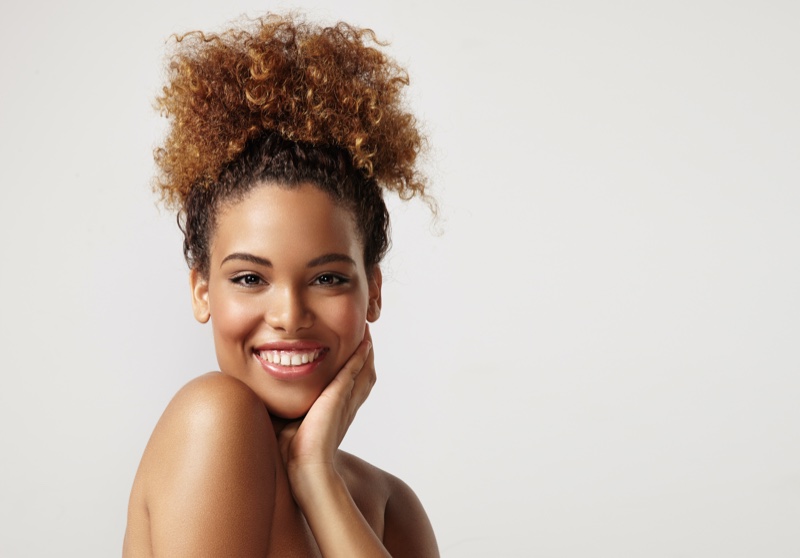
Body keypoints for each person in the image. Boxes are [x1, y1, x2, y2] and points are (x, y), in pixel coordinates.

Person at [123, 13, 439, 557]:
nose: (289, 314)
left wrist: (317, 475)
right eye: (250, 277)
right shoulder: (215, 420)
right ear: (202, 290)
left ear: (374, 291)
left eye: (327, 278)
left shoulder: (390, 507)